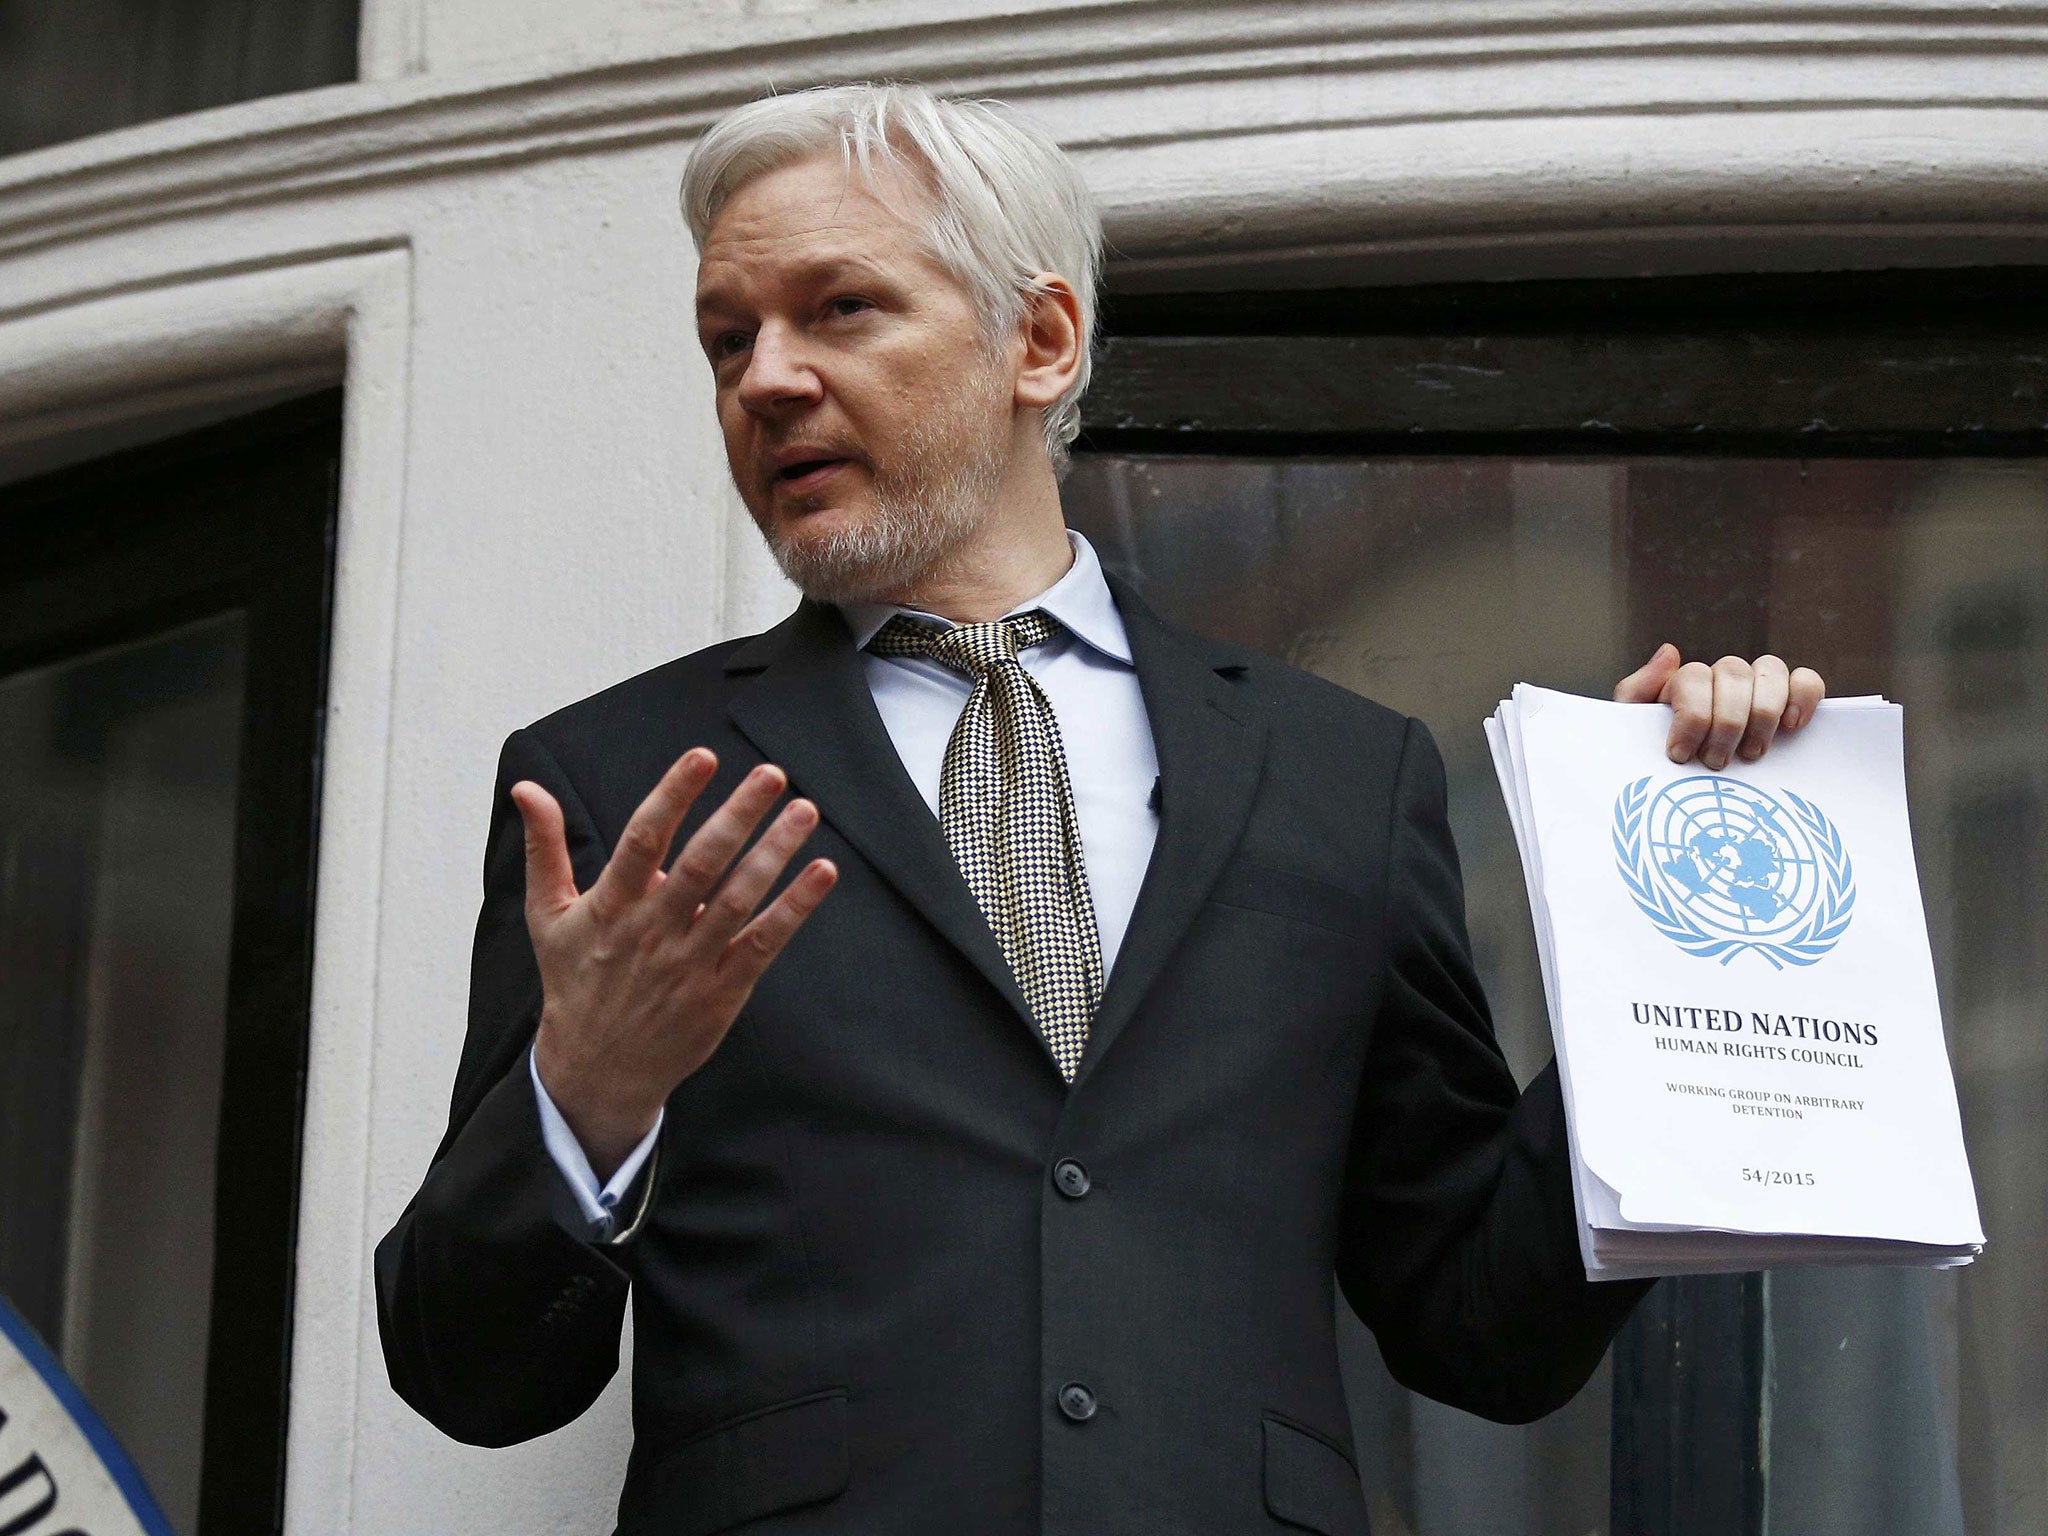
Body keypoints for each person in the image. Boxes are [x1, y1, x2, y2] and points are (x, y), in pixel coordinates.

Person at [374, 81, 1826, 1536]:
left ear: (1040, 339)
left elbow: (1484, 1332)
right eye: (728, 338)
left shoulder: (1341, 775)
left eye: (842, 310)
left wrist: (1670, 935)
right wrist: (589, 1094)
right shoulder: (618, 782)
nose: (766, 379)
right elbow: (475, 1378)